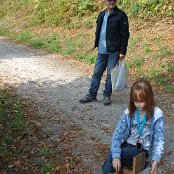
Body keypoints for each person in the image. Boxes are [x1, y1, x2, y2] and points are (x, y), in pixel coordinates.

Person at [102, 79, 165, 174]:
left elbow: (159, 139)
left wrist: (155, 159)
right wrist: (116, 155)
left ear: (149, 98)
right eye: (135, 100)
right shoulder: (129, 112)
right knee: (112, 160)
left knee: (113, 159)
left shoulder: (156, 114)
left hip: (141, 149)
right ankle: (130, 164)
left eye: (142, 101)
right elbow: (117, 134)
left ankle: (138, 163)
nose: (138, 104)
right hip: (127, 145)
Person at [79, 0, 130, 106]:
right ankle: (92, 94)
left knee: (110, 74)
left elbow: (125, 34)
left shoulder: (121, 15)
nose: (111, 2)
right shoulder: (101, 14)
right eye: (109, 0)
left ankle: (107, 95)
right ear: (105, 1)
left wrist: (122, 51)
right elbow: (98, 30)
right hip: (101, 50)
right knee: (96, 73)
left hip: (114, 51)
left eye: (114, 0)